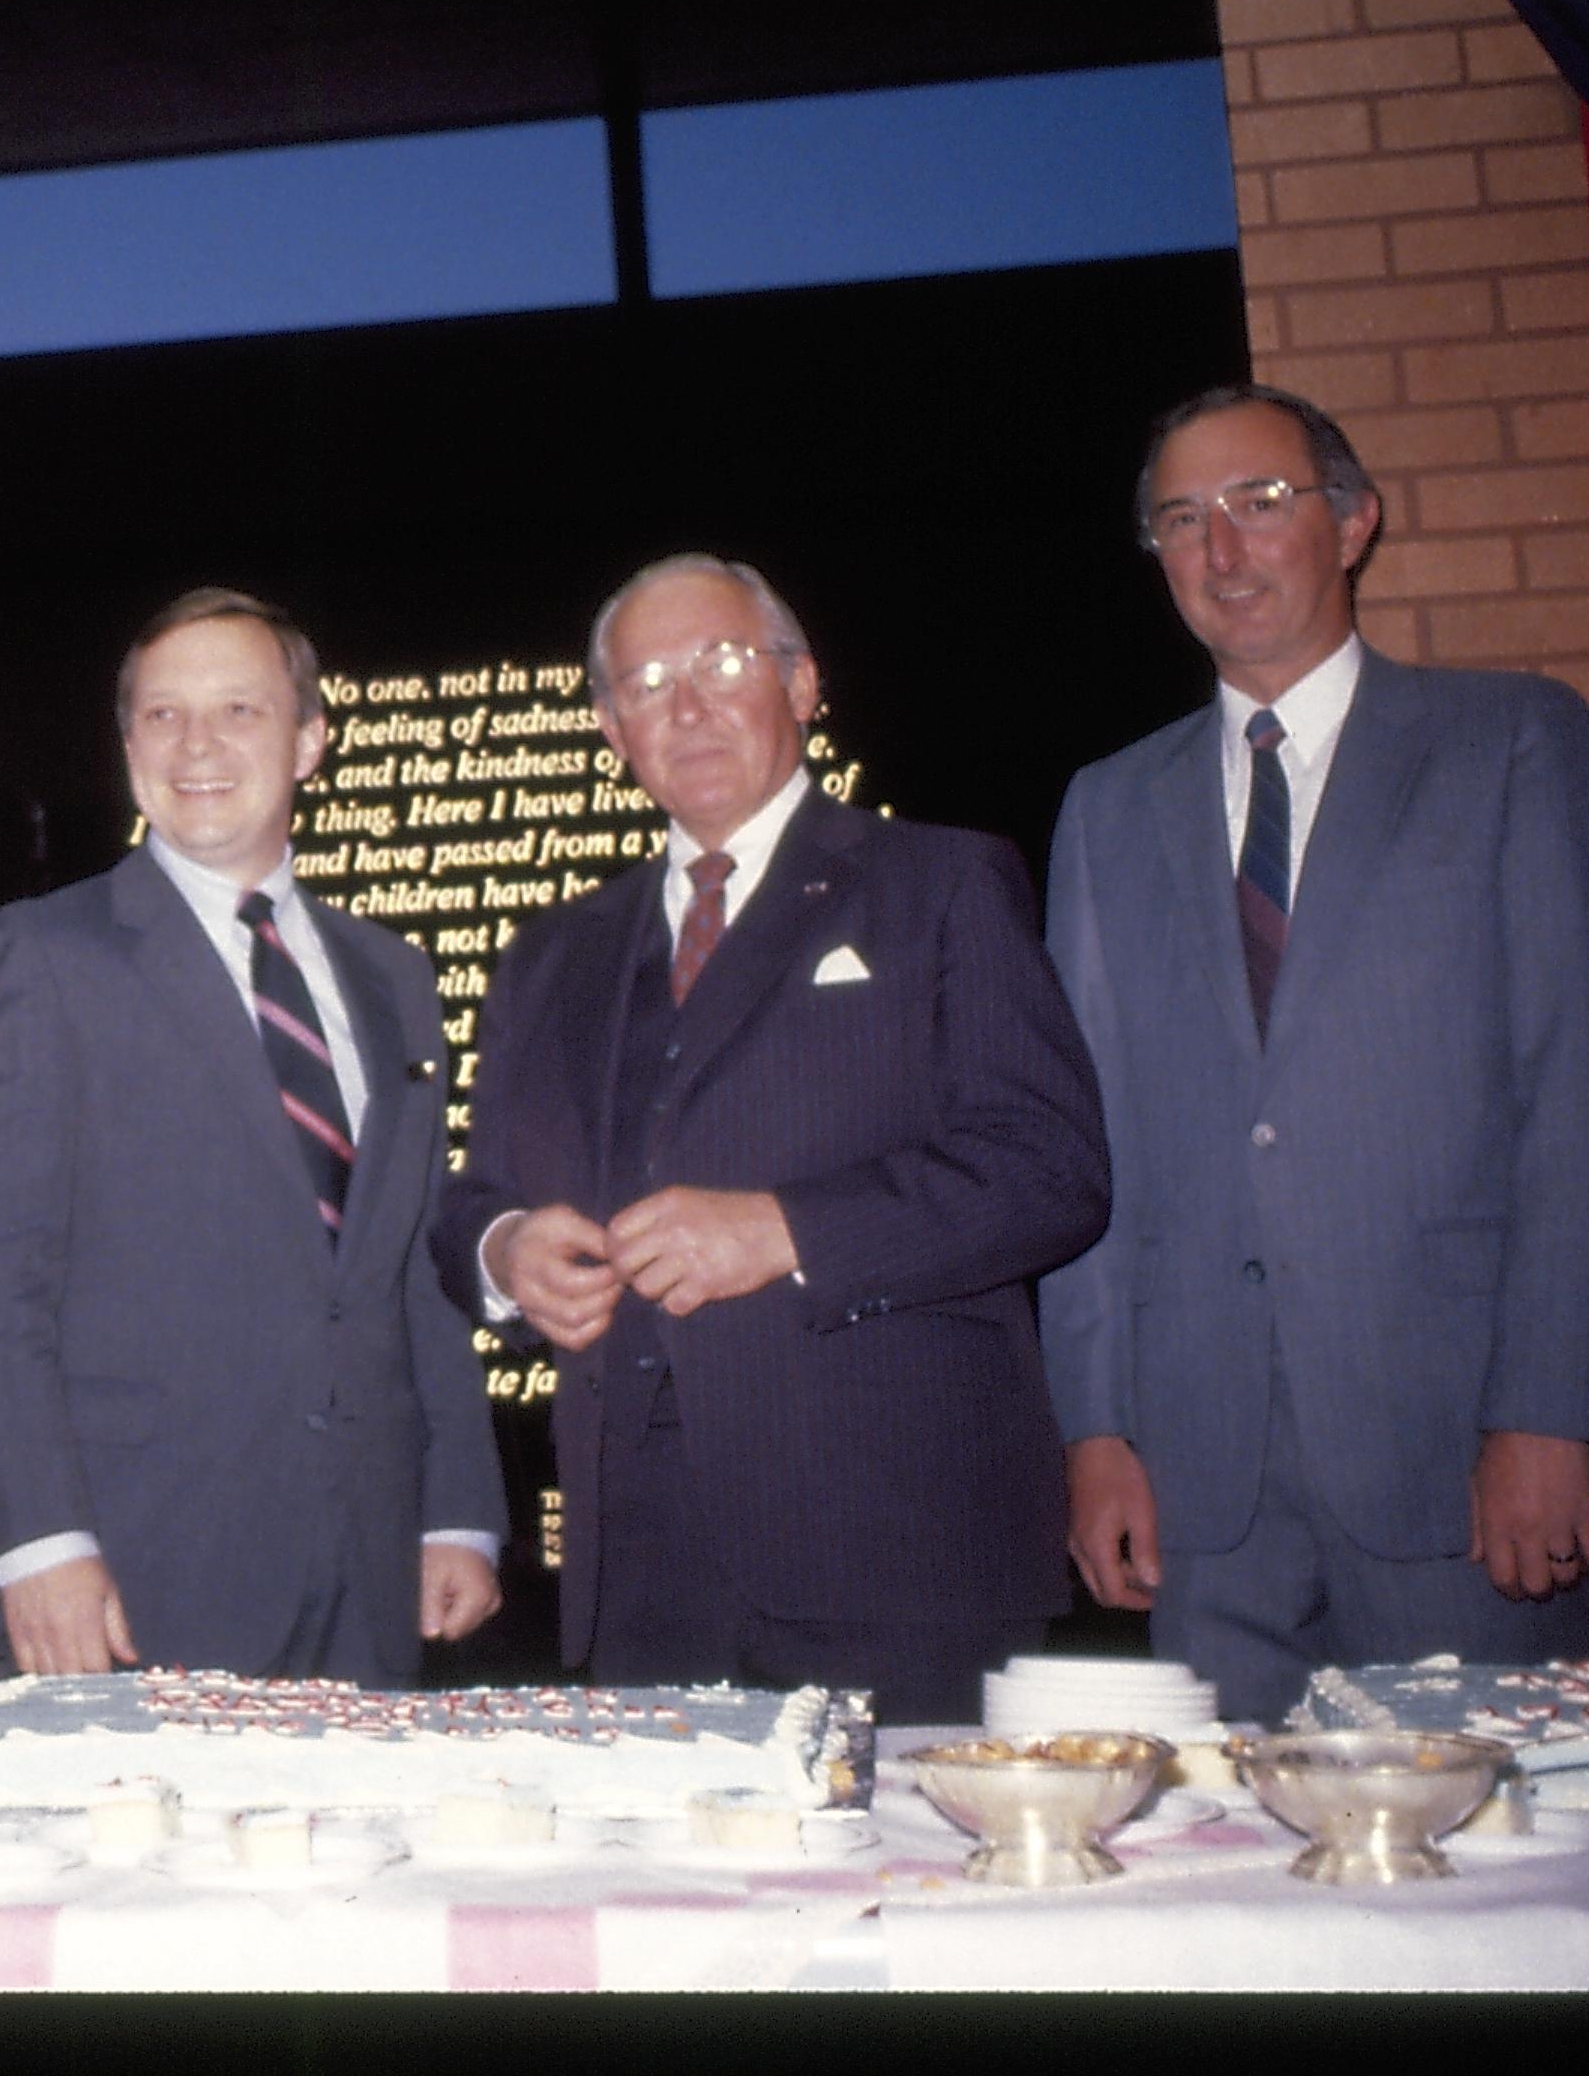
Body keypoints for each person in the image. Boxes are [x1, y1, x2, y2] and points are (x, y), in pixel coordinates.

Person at [1042, 385, 1589, 1720]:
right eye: (1182, 520)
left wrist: (1556, 1413)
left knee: (1506, 1892)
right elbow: (1091, 1156)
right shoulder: (1107, 808)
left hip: (1469, 1470)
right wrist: (1097, 1432)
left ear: (1354, 521)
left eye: (1263, 503)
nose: (1224, 549)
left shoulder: (1515, 746)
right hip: (1208, 1495)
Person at [435, 556, 1108, 1725]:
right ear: (611, 728)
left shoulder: (941, 883)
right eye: (646, 682)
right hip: (639, 1572)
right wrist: (501, 1251)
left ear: (803, 686)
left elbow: (1050, 1169)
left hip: (897, 1556)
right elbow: (472, 1199)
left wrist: (785, 1230)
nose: (684, 705)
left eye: (721, 664)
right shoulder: (550, 956)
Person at [0, 588, 506, 1685]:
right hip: (142, 1577)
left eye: (239, 709)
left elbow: (411, 1266)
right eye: (161, 715)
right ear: (128, 745)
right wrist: (39, 1540)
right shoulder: (41, 958)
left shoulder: (394, 978)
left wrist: (461, 1508)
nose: (197, 744)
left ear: (309, 739)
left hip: (375, 1568)